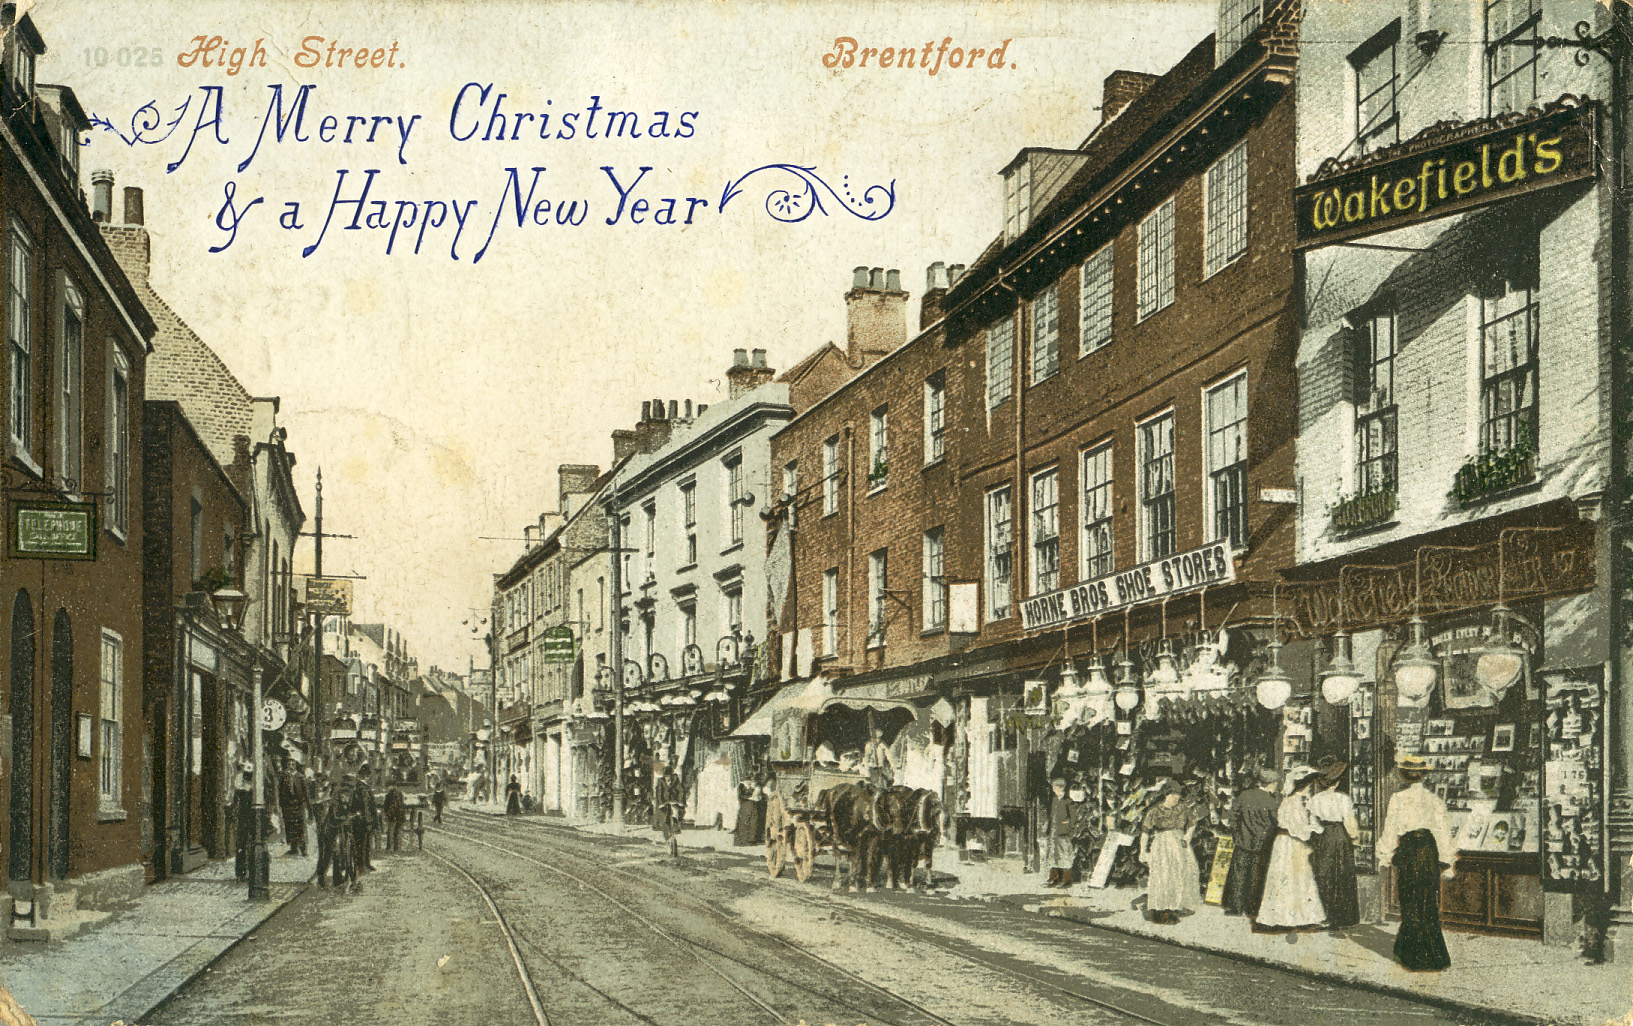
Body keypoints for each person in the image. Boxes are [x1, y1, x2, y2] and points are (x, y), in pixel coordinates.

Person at [1377, 753, 1454, 972]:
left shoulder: (1397, 799)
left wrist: (1384, 854)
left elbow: (1390, 829)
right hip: (1428, 851)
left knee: (1409, 900)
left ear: (1404, 776)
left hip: (1410, 851)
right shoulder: (1433, 799)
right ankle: (1433, 955)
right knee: (1428, 901)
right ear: (1423, 776)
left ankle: (1411, 954)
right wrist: (1446, 860)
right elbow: (1442, 832)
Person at [1255, 767, 1326, 931]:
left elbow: (1311, 822)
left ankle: (1303, 917)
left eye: (1310, 784)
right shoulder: (1291, 802)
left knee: (1300, 878)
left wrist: (1316, 828)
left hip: (1297, 843)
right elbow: (1295, 827)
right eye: (1306, 784)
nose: (1309, 787)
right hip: (1288, 843)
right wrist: (1309, 832)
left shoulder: (1304, 801)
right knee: (1287, 878)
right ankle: (1284, 918)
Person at [1308, 756, 1361, 930]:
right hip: (1340, 836)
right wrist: (1354, 837)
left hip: (1324, 837)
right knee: (1342, 875)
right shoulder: (1343, 799)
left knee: (1324, 875)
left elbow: (1312, 823)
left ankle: (1326, 914)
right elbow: (1349, 821)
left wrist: (1319, 834)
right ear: (1337, 782)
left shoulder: (1315, 800)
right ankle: (1343, 917)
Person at [1222, 767, 1282, 917]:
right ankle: (1251, 908)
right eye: (1275, 783)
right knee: (1256, 876)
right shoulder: (1271, 801)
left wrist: (1236, 836)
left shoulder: (1244, 795)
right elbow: (1275, 822)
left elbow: (1233, 818)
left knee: (1239, 874)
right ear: (1271, 783)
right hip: (1261, 843)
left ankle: (1235, 907)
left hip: (1243, 841)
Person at [1139, 780, 1199, 923]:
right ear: (1166, 795)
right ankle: (1160, 909)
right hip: (1162, 844)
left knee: (1181, 873)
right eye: (1173, 797)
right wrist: (1142, 851)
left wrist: (1187, 837)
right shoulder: (1154, 811)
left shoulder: (1183, 809)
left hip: (1179, 843)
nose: (1175, 800)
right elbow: (1145, 832)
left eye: (1177, 798)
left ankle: (1174, 907)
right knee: (1163, 875)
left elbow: (1192, 823)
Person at [1045, 777, 1078, 887]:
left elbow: (1073, 818)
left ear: (1060, 788)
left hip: (1063, 833)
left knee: (1064, 855)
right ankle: (1054, 878)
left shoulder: (1068, 801)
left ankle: (1066, 879)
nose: (1053, 789)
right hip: (1054, 832)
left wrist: (1068, 828)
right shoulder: (1055, 800)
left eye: (1055, 787)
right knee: (1053, 854)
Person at [230, 764, 254, 883]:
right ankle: (243, 872)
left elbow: (235, 807)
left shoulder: (242, 792)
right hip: (246, 822)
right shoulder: (244, 792)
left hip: (245, 822)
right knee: (244, 847)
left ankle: (243, 872)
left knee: (243, 847)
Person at [279, 762, 309, 857]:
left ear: (295, 766)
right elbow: (281, 791)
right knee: (290, 825)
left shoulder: (300, 777)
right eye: (289, 764)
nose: (290, 766)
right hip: (288, 805)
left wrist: (305, 804)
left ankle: (303, 848)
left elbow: (305, 792)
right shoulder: (284, 777)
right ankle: (293, 847)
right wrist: (281, 804)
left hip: (298, 804)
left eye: (292, 764)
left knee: (300, 825)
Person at [655, 768, 686, 857]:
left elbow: (681, 791)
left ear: (672, 775)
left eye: (669, 776)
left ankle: (676, 827)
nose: (668, 778)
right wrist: (661, 803)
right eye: (666, 776)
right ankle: (667, 839)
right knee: (664, 821)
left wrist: (680, 801)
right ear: (664, 776)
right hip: (665, 804)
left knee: (676, 815)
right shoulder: (661, 781)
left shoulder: (676, 780)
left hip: (674, 802)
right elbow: (659, 794)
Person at [733, 776, 765, 847]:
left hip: (753, 804)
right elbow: (742, 795)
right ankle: (743, 840)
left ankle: (751, 839)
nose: (750, 781)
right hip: (746, 805)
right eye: (749, 780)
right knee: (745, 821)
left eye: (751, 780)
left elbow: (759, 796)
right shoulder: (742, 785)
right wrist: (751, 791)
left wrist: (757, 794)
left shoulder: (755, 786)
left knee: (753, 821)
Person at [383, 785, 407, 852]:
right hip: (399, 816)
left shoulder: (388, 795)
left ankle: (389, 847)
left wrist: (386, 814)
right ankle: (396, 848)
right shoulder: (400, 794)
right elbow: (402, 805)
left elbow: (386, 806)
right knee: (397, 832)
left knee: (390, 832)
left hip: (392, 816)